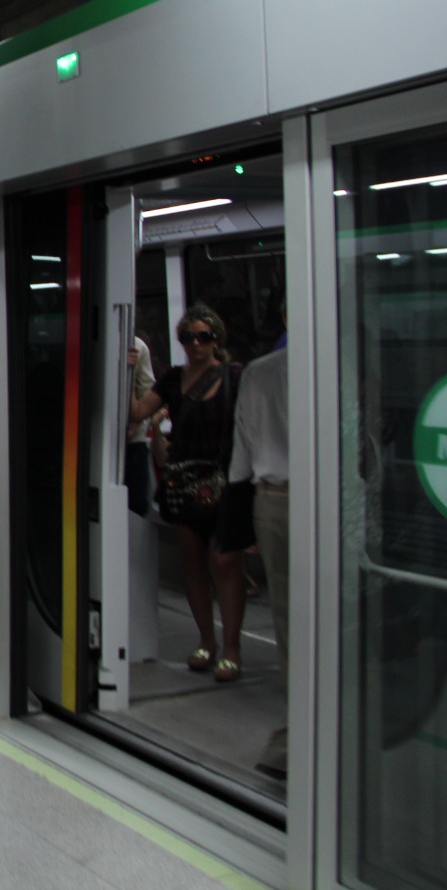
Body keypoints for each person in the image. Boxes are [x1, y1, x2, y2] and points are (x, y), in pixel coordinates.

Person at [130, 304, 246, 683]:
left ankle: (231, 648)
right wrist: (128, 369)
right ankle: (206, 641)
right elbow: (138, 412)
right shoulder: (172, 379)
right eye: (188, 337)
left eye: (204, 336)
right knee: (192, 566)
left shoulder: (233, 377)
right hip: (183, 481)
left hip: (224, 480)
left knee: (225, 564)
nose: (195, 344)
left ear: (216, 339)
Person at [230, 330, 289, 778]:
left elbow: (243, 451)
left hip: (271, 501)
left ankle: (292, 737)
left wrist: (240, 518)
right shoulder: (347, 366)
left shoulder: (257, 373)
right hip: (332, 499)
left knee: (287, 623)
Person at [125, 334, 157, 517]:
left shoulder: (137, 346)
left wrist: (137, 422)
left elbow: (148, 390)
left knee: (136, 505)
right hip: (94, 440)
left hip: (133, 443)